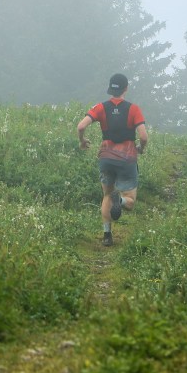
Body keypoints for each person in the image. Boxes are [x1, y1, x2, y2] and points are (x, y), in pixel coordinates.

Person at [76, 73, 148, 246]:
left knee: (107, 195)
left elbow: (81, 126)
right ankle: (120, 200)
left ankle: (107, 235)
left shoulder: (101, 107)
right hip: (127, 158)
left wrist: (82, 141)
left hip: (106, 157)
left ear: (110, 88)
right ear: (126, 88)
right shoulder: (133, 109)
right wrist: (141, 147)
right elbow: (144, 136)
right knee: (129, 202)